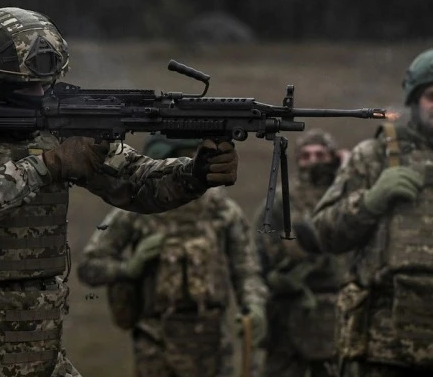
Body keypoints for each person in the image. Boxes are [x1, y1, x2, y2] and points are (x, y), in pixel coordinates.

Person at [0, 7, 239, 377]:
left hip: (31, 342)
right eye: (27, 85)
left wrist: (194, 174)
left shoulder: (57, 118)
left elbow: (135, 182)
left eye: (46, 83)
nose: (40, 93)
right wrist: (48, 165)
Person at [77, 135, 267, 377]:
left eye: (191, 159)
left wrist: (253, 305)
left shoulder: (222, 211)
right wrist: (129, 268)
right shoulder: (135, 210)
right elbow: (89, 266)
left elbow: (246, 268)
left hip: (212, 344)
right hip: (156, 344)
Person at [297, 48, 433, 376]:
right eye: (432, 96)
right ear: (415, 100)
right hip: (384, 348)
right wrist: (370, 201)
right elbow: (324, 232)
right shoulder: (374, 157)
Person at [253, 129, 348, 377]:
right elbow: (262, 253)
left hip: (339, 307)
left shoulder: (346, 196)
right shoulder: (280, 201)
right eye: (306, 155)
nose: (313, 161)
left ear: (333, 157)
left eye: (320, 154)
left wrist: (348, 170)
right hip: (290, 309)